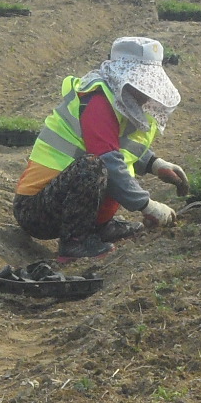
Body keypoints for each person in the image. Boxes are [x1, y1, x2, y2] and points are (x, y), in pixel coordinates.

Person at [13, 37, 189, 260]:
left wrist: (155, 164)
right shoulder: (98, 99)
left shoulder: (116, 99)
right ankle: (75, 243)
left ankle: (99, 227)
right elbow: (108, 158)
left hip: (60, 200)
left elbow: (119, 144)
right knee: (94, 166)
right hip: (36, 209)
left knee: (99, 165)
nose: (146, 93)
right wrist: (147, 205)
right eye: (141, 84)